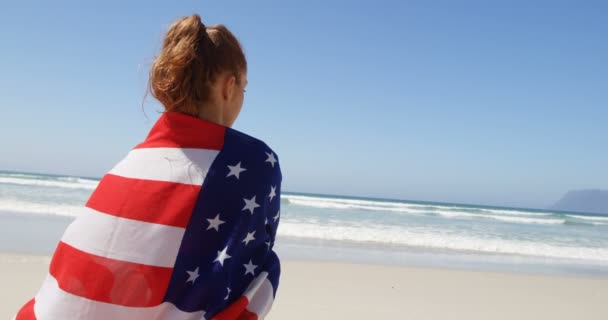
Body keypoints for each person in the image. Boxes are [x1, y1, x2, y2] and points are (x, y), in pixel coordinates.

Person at [15, 14, 282, 320]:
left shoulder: (129, 164)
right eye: (244, 90)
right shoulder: (253, 162)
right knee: (265, 267)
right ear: (229, 86)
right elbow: (251, 264)